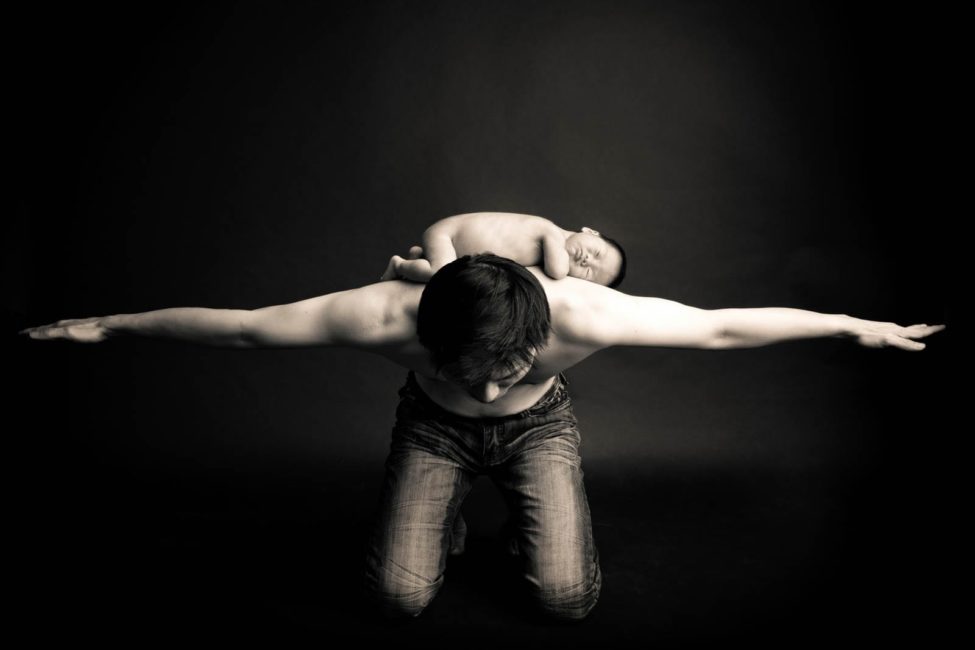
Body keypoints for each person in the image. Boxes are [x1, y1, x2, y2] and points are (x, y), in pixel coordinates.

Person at [20, 254, 943, 621]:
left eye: (513, 360)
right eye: (478, 368)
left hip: (539, 437)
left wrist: (849, 324)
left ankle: (513, 518)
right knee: (396, 600)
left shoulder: (581, 313)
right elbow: (241, 326)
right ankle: (448, 519)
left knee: (569, 602)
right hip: (433, 436)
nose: (496, 379)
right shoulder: (381, 316)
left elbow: (719, 325)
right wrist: (113, 324)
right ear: (428, 341)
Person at [380, 211, 627, 287]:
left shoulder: (548, 241)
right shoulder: (550, 232)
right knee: (440, 275)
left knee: (444, 271)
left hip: (454, 244)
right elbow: (558, 270)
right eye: (596, 253)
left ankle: (418, 258)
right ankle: (399, 265)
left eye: (590, 273)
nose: (586, 261)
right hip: (448, 234)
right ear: (590, 232)